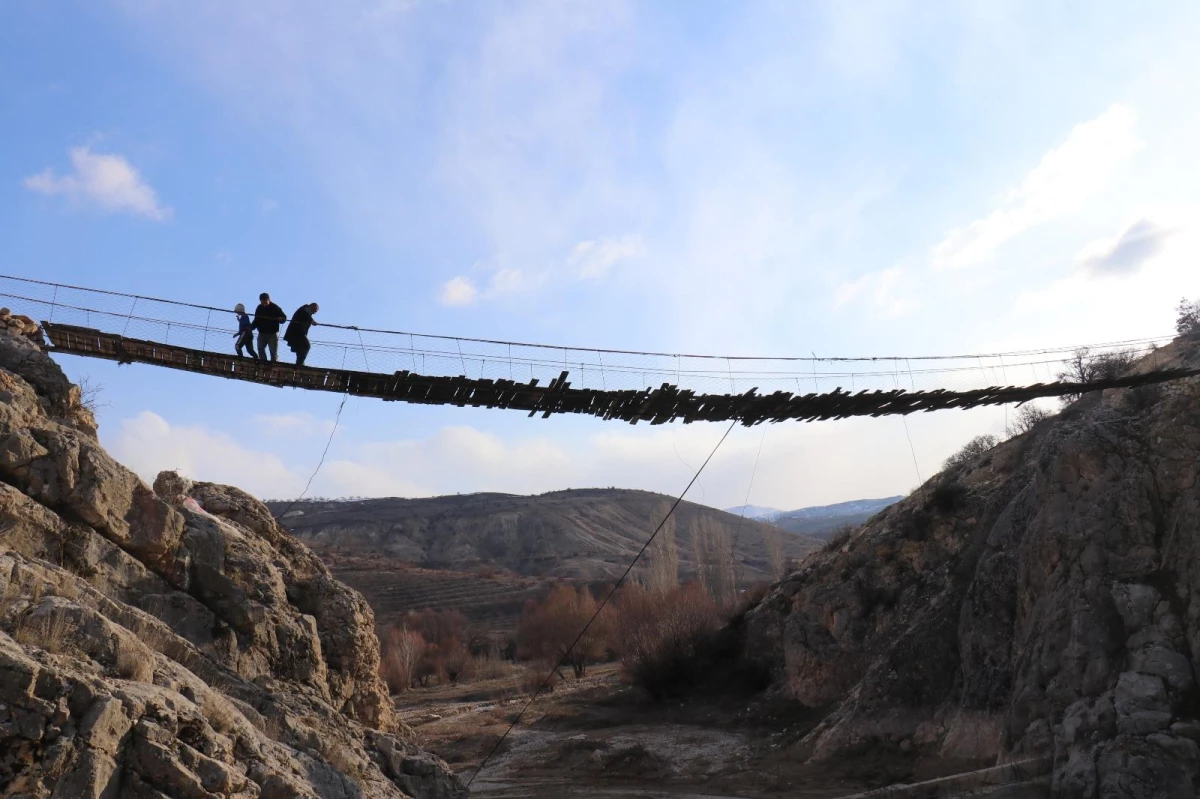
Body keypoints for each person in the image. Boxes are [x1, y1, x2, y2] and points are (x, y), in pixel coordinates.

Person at [253, 292, 287, 362]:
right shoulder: (259, 308)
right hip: (262, 333)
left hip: (272, 334)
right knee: (260, 349)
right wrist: (251, 327)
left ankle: (273, 366)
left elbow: (284, 317)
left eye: (265, 302)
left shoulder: (275, 307)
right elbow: (256, 320)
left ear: (269, 299)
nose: (264, 304)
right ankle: (263, 363)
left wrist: (281, 319)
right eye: (262, 303)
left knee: (273, 352)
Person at [284, 302, 319, 367]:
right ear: (312, 307)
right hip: (296, 332)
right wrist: (311, 320)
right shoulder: (305, 308)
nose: (313, 313)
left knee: (300, 348)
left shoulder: (307, 311)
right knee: (307, 346)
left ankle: (299, 363)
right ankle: (300, 364)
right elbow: (303, 313)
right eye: (314, 311)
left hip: (298, 333)